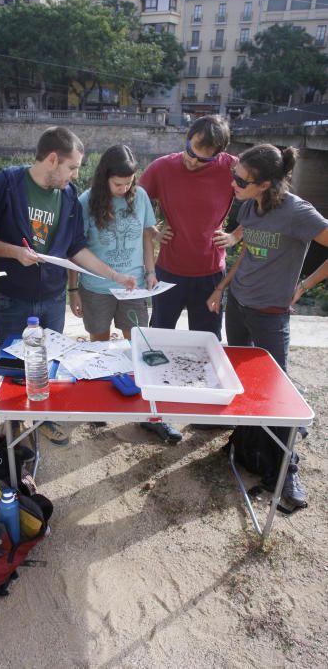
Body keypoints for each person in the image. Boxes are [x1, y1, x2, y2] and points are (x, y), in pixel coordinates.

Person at [0, 126, 136, 446]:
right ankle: (14, 423)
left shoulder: (69, 195)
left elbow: (76, 247)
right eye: (72, 167)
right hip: (12, 296)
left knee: (51, 362)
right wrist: (14, 252)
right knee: (14, 364)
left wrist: (113, 275)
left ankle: (44, 417)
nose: (75, 175)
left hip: (52, 298)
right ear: (52, 159)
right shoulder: (5, 183)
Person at [206, 143, 328, 507]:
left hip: (272, 313)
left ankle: (287, 471)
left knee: (279, 393)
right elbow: (247, 248)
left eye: (241, 181)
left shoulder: (297, 212)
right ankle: (246, 443)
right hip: (239, 305)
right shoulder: (250, 205)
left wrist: (305, 285)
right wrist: (221, 287)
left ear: (266, 184)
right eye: (234, 176)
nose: (234, 184)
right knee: (241, 377)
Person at [67, 144, 182, 443]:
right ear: (104, 177)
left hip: (133, 289)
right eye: (118, 184)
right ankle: (101, 403)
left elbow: (147, 237)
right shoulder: (85, 201)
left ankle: (152, 414)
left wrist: (151, 271)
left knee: (140, 347)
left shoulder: (140, 196)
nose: (123, 188)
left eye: (128, 183)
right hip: (96, 288)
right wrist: (73, 289)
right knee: (100, 347)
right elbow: (76, 250)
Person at [139, 114, 241, 340]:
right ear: (187, 137)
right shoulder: (162, 167)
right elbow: (133, 201)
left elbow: (265, 197)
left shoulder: (231, 167)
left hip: (211, 274)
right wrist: (154, 231)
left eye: (203, 159)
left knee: (206, 341)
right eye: (191, 151)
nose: (193, 161)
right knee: (158, 338)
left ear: (219, 154)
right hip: (169, 270)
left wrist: (236, 235)